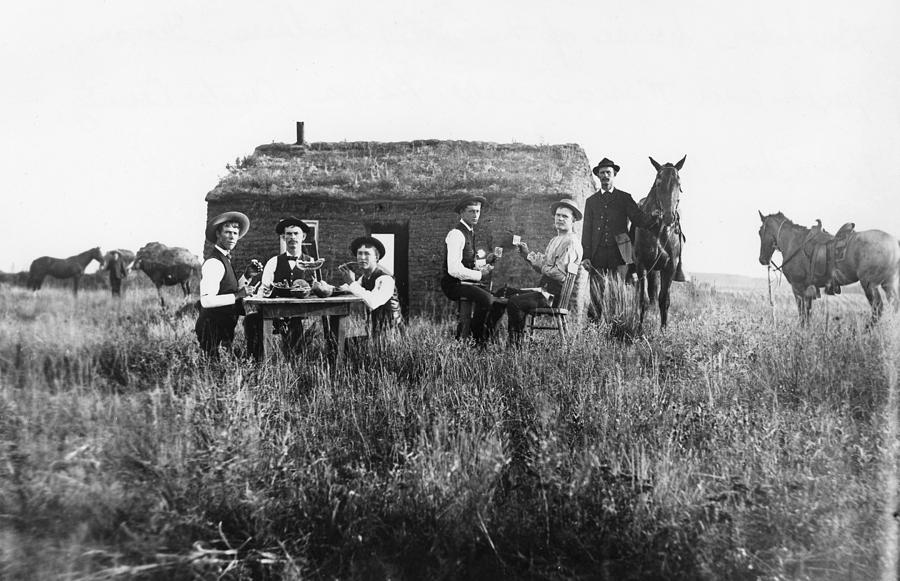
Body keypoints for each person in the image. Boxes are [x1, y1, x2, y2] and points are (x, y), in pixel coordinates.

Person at [581, 158, 663, 318]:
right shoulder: (591, 202)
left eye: (608, 173)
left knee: (616, 294)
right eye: (602, 173)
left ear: (614, 175)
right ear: (598, 176)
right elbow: (587, 230)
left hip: (619, 254)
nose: (605, 176)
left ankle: (614, 330)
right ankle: (594, 331)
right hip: (597, 255)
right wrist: (586, 256)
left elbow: (639, 219)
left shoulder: (624, 198)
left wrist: (652, 217)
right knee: (596, 294)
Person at [506, 198, 583, 344]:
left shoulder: (571, 242)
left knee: (515, 302)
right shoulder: (555, 240)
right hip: (545, 291)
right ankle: (482, 340)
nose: (560, 218)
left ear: (573, 220)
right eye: (558, 215)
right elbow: (546, 268)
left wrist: (542, 266)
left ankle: (515, 347)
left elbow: (559, 275)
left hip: (554, 297)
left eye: (565, 216)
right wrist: (527, 255)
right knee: (505, 293)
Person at [245, 216, 318, 358]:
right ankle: (257, 361)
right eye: (288, 234)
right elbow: (263, 289)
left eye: (296, 234)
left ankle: (294, 364)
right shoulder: (273, 262)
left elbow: (315, 288)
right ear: (284, 237)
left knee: (296, 348)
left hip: (299, 314)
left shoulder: (311, 262)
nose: (292, 237)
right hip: (275, 313)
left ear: (303, 237)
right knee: (251, 321)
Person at [194, 211, 262, 359]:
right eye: (227, 232)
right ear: (218, 234)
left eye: (235, 233)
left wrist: (247, 276)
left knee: (222, 371)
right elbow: (206, 301)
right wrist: (239, 295)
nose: (232, 236)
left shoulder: (224, 258)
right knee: (213, 372)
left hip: (223, 328)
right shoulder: (214, 262)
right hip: (211, 330)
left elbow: (227, 290)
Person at [441, 195, 506, 343]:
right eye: (471, 211)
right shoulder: (456, 234)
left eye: (478, 211)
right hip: (453, 284)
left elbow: (469, 262)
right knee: (487, 299)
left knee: (499, 302)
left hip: (465, 283)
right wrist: (479, 274)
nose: (476, 215)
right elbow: (454, 269)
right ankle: (476, 339)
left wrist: (485, 262)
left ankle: (486, 338)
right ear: (462, 213)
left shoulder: (470, 232)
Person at [338, 236, 403, 337]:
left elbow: (372, 302)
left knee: (344, 345)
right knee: (342, 343)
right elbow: (349, 289)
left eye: (367, 254)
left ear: (376, 257)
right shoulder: (365, 277)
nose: (362, 257)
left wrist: (351, 282)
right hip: (375, 332)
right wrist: (329, 289)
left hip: (391, 334)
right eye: (360, 253)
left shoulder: (385, 279)